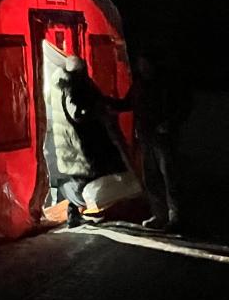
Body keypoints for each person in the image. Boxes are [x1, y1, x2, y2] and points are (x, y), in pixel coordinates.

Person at [50, 56, 128, 227]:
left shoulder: (62, 84)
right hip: (79, 142)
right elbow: (77, 113)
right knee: (84, 178)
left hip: (71, 142)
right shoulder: (72, 86)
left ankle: (76, 213)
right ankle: (78, 208)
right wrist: (96, 111)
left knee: (81, 177)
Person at [118, 51, 190, 232]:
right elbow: (127, 104)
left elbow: (184, 105)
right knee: (152, 178)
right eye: (141, 64)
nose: (143, 68)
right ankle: (160, 215)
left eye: (146, 64)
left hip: (163, 138)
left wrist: (170, 123)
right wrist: (104, 102)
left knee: (169, 177)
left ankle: (176, 218)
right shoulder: (139, 85)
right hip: (146, 138)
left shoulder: (166, 84)